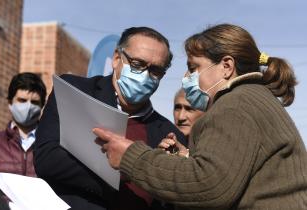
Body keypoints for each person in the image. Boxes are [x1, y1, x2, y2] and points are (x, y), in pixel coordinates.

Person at [93, 23, 307, 210]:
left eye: (193, 68)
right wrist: (188, 159)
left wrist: (131, 157)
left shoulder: (234, 105)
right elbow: (228, 172)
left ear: (226, 66)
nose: (186, 78)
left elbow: (210, 186)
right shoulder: (253, 98)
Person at [34, 27, 186, 210]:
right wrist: (126, 168)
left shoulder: (170, 134)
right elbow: (47, 159)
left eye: (155, 70)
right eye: (138, 64)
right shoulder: (74, 91)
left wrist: (164, 169)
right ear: (116, 59)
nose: (145, 75)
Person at [0, 72, 46, 177]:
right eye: (22, 100)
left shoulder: (50, 145)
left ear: (42, 106)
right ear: (10, 102)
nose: (28, 106)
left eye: (34, 102)